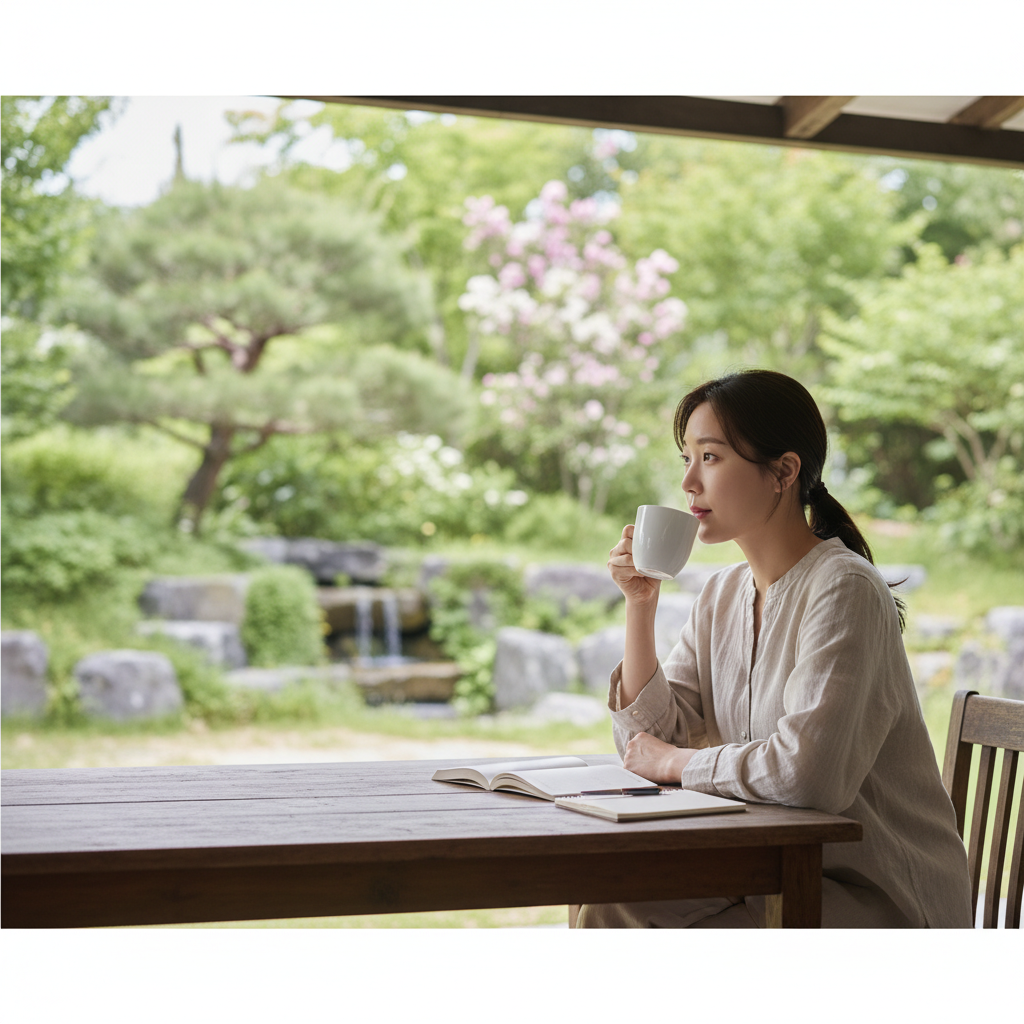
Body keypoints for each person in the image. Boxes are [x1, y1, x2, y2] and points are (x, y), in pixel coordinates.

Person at [576, 370, 972, 928]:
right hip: (768, 869)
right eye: (686, 458)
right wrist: (640, 605)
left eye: (710, 457)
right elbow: (647, 744)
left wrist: (678, 763)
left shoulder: (844, 588)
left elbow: (808, 776)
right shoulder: (722, 593)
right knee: (611, 904)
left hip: (872, 891)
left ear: (783, 471)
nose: (689, 482)